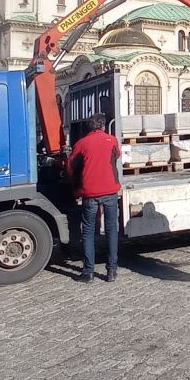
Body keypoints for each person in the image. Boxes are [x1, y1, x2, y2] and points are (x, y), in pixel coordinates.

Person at [69, 113, 122, 283]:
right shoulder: (112, 140)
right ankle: (112, 271)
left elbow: (71, 166)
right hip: (110, 190)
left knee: (88, 231)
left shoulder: (81, 143)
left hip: (90, 192)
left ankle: (88, 272)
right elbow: (117, 155)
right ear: (103, 126)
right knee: (111, 229)